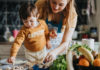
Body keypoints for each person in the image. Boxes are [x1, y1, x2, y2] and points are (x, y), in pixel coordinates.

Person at [7, 2, 51, 67]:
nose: (29, 24)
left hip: (42, 51)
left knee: (43, 66)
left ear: (37, 16)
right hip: (30, 53)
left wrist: (48, 41)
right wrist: (13, 55)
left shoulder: (42, 24)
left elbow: (46, 33)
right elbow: (17, 43)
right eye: (25, 21)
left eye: (31, 21)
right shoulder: (24, 30)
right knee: (31, 67)